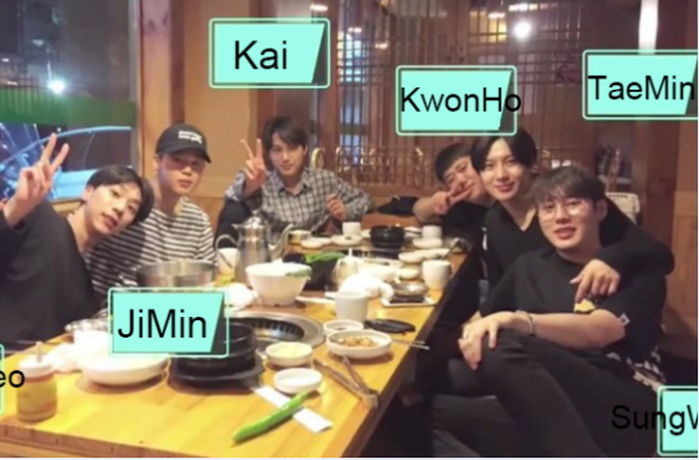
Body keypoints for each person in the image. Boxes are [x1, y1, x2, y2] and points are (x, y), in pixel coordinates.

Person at [432, 166, 666, 456]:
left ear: (601, 209)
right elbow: (477, 324)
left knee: (501, 343)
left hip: (630, 405)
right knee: (427, 407)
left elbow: (600, 330)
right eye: (548, 208)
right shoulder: (528, 266)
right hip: (556, 403)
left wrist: (519, 320)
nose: (560, 217)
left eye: (573, 204)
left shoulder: (631, 266)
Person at [471, 128, 674, 301]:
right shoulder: (494, 220)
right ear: (480, 173)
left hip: (592, 314)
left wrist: (610, 259)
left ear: (531, 163)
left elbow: (660, 255)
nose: (500, 175)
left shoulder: (574, 207)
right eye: (489, 166)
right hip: (528, 324)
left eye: (511, 162)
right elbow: (500, 291)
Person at [0, 134, 153, 342]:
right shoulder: (39, 217)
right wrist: (17, 207)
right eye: (115, 194)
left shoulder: (85, 290)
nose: (119, 208)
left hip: (41, 360)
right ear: (88, 191)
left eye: (131, 208)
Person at [86, 123, 216, 296]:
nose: (187, 170)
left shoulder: (198, 221)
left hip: (174, 308)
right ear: (157, 161)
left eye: (196, 164)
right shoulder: (129, 207)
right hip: (113, 306)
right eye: (177, 160)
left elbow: (205, 284)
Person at [218, 116, 373, 241]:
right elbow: (230, 199)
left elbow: (366, 199)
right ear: (269, 154)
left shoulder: (324, 180)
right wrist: (249, 187)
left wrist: (346, 212)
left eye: (292, 148)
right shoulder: (261, 181)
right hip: (270, 260)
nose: (285, 158)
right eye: (277, 150)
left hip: (311, 258)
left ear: (304, 149)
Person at [412, 142, 493, 244]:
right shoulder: (462, 207)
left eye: (463, 168)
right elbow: (418, 211)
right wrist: (433, 203)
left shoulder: (506, 198)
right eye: (451, 180)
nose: (460, 180)